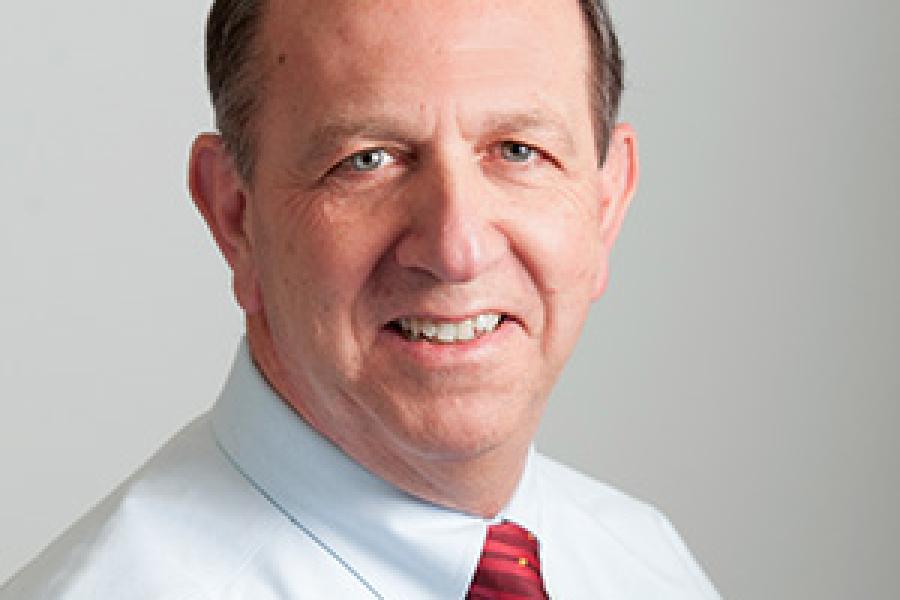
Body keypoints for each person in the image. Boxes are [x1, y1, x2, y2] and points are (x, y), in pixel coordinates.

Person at [1, 1, 721, 598]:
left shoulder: (644, 563)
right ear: (234, 216)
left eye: (518, 151)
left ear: (605, 204)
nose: (457, 247)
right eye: (367, 160)